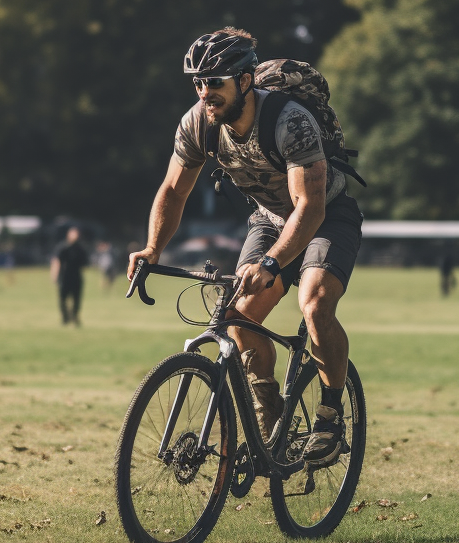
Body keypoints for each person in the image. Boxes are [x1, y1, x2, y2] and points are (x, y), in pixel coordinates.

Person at [127, 29, 363, 463]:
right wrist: (152, 249)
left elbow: (308, 208)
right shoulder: (198, 123)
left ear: (245, 80)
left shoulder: (289, 121)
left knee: (314, 304)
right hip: (270, 219)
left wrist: (273, 262)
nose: (205, 93)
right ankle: (268, 417)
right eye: (198, 83)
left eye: (215, 82)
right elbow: (174, 191)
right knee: (237, 317)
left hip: (327, 217)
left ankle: (330, 415)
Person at [52, 227, 89, 325]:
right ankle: (65, 317)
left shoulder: (80, 249)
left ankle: (75, 316)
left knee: (76, 299)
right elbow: (56, 261)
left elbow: (85, 263)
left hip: (76, 277)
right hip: (64, 277)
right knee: (62, 298)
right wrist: (54, 275)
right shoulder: (63, 247)